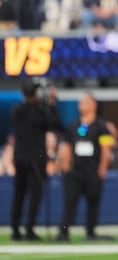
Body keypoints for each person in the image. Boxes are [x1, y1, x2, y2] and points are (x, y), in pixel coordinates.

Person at [56, 93, 114, 241]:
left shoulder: (102, 126)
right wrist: (65, 164)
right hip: (75, 171)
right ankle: (63, 231)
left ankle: (90, 231)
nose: (82, 105)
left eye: (86, 102)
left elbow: (106, 149)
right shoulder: (73, 126)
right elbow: (67, 146)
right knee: (70, 202)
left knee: (93, 202)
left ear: (94, 105)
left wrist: (103, 167)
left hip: (93, 171)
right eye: (81, 103)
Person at [10, 79, 62, 241]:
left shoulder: (16, 110)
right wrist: (51, 103)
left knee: (19, 194)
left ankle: (16, 229)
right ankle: (29, 229)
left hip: (19, 156)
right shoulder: (40, 112)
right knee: (35, 194)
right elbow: (55, 125)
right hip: (35, 158)